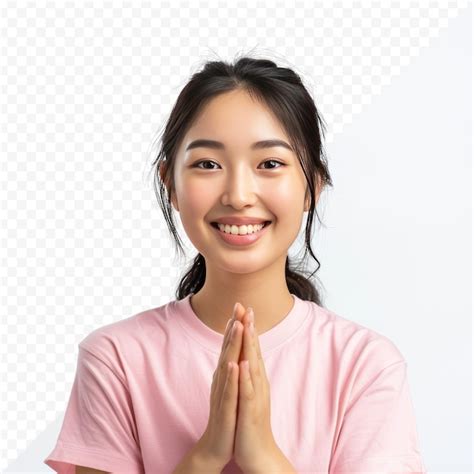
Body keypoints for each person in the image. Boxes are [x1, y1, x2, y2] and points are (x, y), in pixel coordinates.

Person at [44, 55, 426, 473]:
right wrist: (207, 454)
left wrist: (261, 454)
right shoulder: (115, 359)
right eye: (208, 164)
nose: (239, 194)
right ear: (170, 182)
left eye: (270, 164)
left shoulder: (364, 365)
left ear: (312, 186)